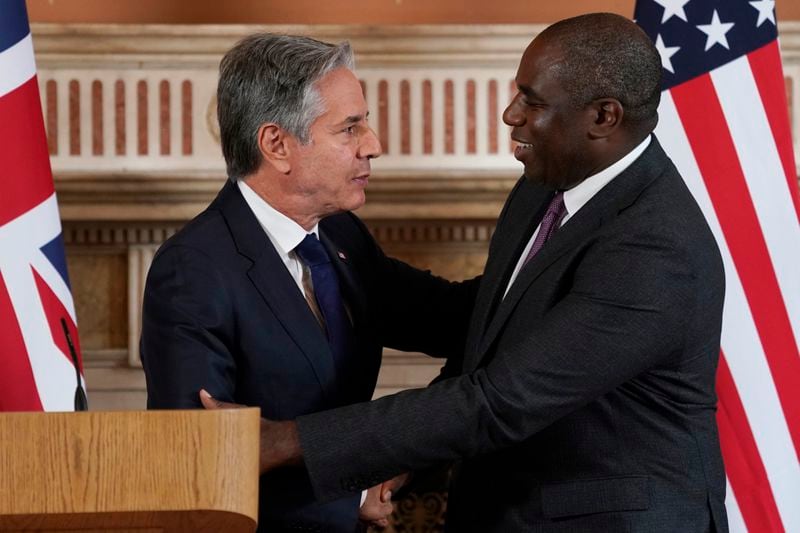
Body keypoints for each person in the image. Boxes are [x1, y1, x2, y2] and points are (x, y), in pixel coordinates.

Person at [204, 13, 729, 532]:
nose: (510, 114)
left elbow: (500, 400)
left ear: (603, 117)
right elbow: (488, 322)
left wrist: (281, 441)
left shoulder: (656, 246)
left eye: (533, 101)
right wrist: (311, 261)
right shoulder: (547, 184)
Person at [140, 33, 476, 532]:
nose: (374, 145)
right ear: (277, 144)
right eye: (350, 128)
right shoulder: (192, 270)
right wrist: (352, 496)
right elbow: (196, 461)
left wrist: (554, 259)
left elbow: (451, 315)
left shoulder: (341, 236)